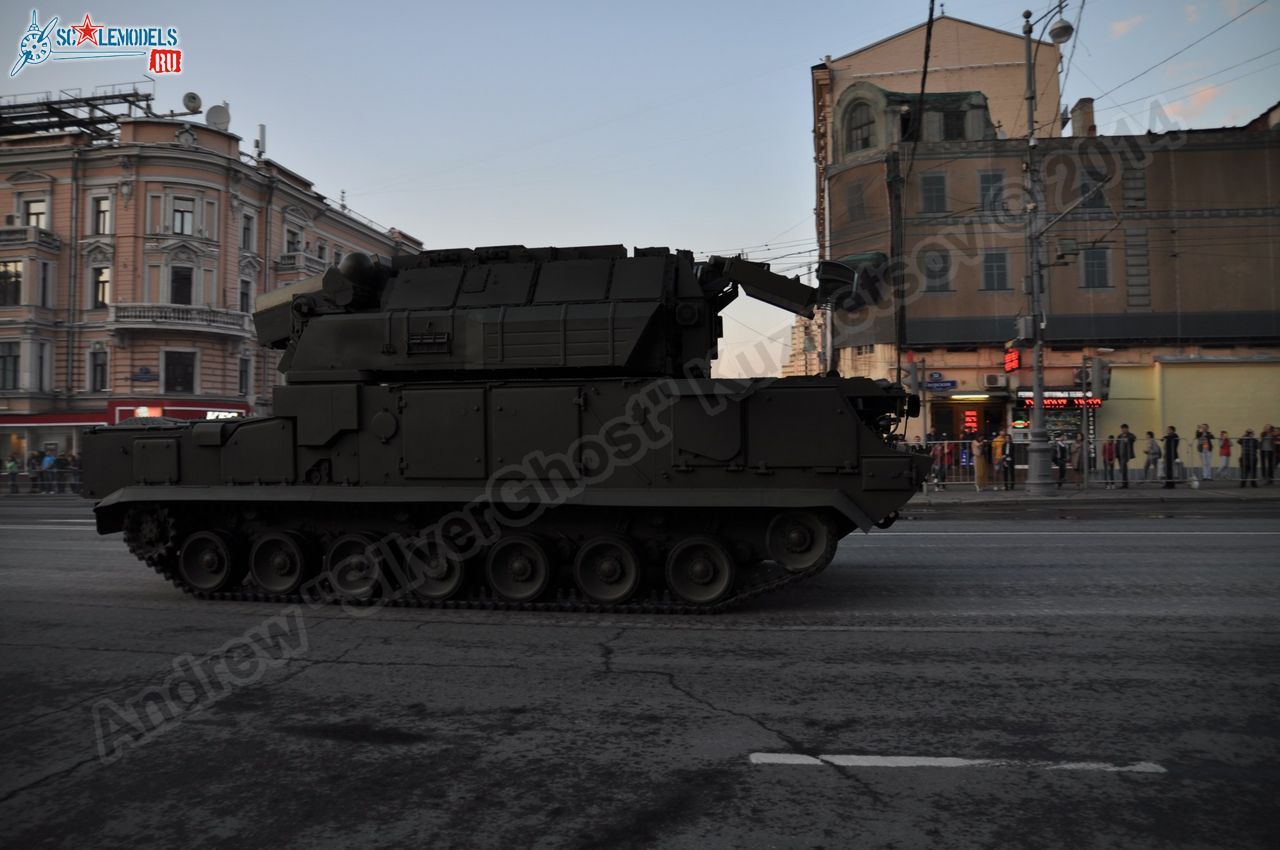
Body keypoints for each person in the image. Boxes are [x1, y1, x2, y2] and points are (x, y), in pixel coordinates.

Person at [1116, 423, 1136, 488]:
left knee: (1124, 468)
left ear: (1127, 429)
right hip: (1120, 454)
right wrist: (1116, 454)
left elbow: (1134, 437)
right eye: (1122, 429)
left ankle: (1125, 484)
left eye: (1124, 428)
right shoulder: (1119, 436)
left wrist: (1128, 439)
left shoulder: (1130, 435)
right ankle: (1124, 482)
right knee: (1122, 469)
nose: (1123, 430)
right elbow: (1117, 444)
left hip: (1126, 454)